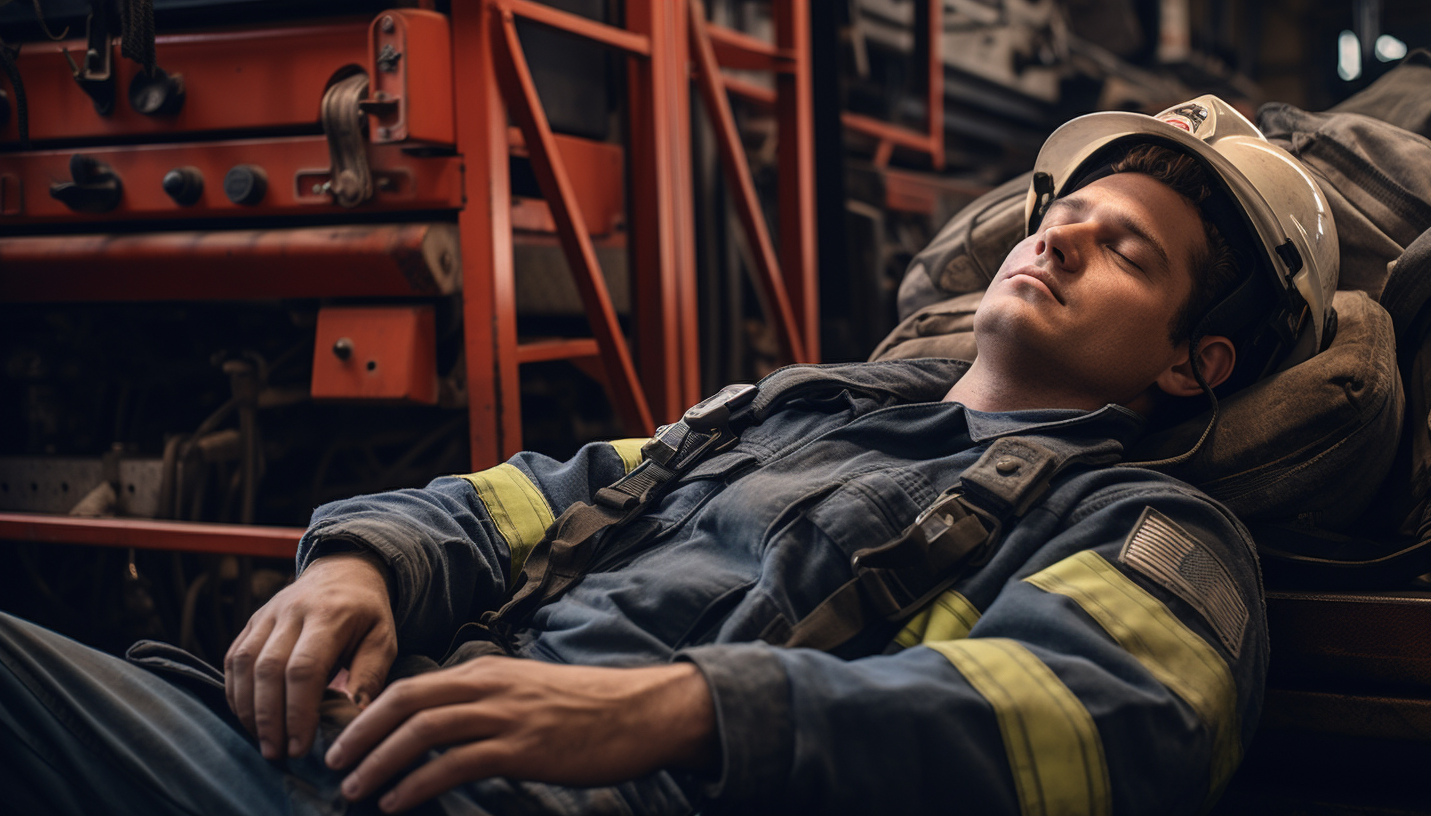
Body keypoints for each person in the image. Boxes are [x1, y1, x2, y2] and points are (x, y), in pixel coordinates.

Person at [0, 95, 1338, 816]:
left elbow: (1111, 727)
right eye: (1070, 214)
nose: (1059, 240)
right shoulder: (808, 406)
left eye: (1127, 251)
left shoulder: (1145, 524)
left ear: (1191, 364)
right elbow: (543, 496)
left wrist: (690, 707)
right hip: (373, 747)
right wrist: (359, 563)